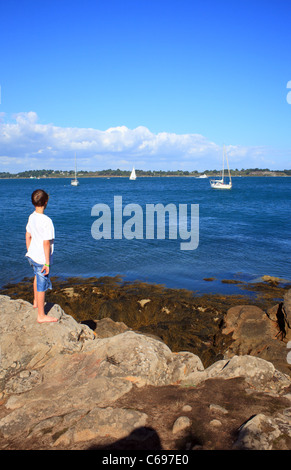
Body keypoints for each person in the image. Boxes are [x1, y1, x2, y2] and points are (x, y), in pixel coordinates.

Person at [25, 189, 58, 323]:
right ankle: (41, 315)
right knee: (42, 283)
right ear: (46, 202)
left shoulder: (31, 217)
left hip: (32, 255)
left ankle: (35, 302)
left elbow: (28, 235)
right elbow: (46, 243)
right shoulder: (46, 221)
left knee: (36, 276)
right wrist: (47, 262)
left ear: (33, 202)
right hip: (41, 258)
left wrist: (30, 250)